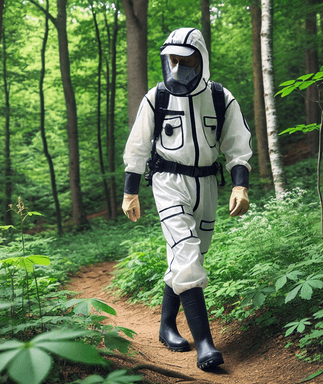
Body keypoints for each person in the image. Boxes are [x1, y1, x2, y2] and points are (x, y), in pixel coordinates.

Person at [122, 28, 252, 370]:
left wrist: (240, 185)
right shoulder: (157, 98)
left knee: (190, 254)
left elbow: (238, 147)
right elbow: (136, 148)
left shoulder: (222, 98)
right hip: (167, 182)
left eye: (186, 60)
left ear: (201, 60)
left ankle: (166, 325)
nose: (178, 67)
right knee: (186, 252)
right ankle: (205, 345)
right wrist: (130, 190)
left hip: (208, 185)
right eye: (173, 60)